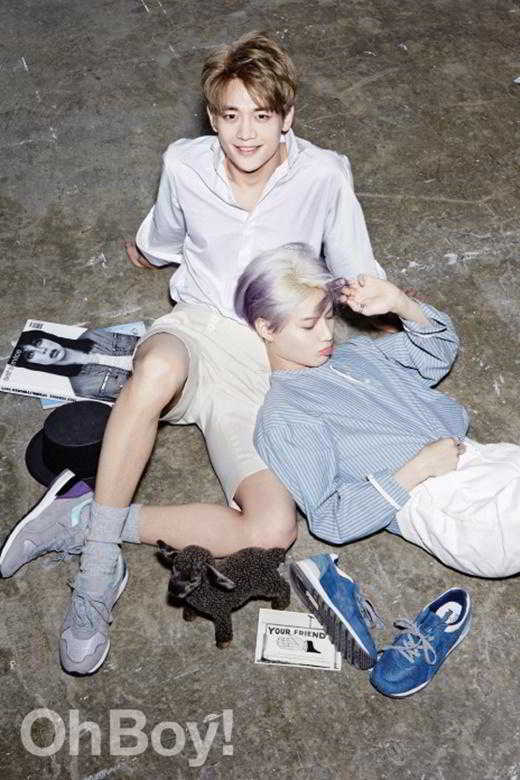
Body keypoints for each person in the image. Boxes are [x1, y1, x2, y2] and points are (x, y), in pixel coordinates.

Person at [0, 32, 384, 676]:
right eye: (230, 115)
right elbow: (163, 236)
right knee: (154, 368)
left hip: (268, 369)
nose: (246, 134)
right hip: (198, 332)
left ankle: (82, 521)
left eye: (263, 115)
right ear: (211, 117)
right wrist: (147, 252)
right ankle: (98, 571)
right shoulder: (184, 164)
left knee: (272, 531)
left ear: (288, 117)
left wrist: (388, 307)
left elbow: (354, 266)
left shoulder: (324, 174)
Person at [234, 242, 520, 580]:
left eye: (329, 316)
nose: (326, 334)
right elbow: (332, 518)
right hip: (448, 506)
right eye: (309, 324)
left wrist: (401, 303)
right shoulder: (285, 416)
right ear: (267, 328)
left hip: (487, 462)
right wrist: (419, 468)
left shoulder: (354, 354)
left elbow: (437, 353)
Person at [17, 329, 136, 401]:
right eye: (31, 354)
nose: (42, 350)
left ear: (47, 338)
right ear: (33, 364)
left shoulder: (93, 334)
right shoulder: (81, 388)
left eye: (38, 342)